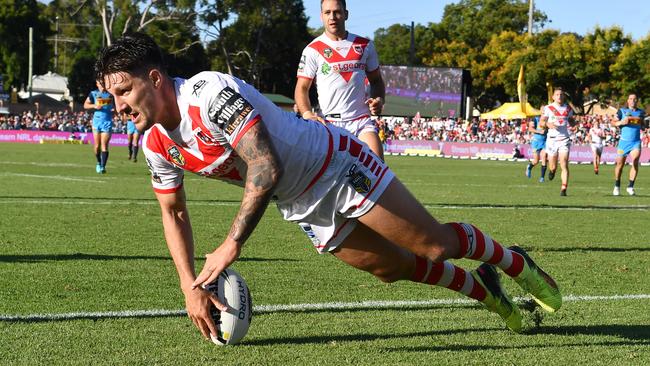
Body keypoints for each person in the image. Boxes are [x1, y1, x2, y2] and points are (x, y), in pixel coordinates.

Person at [96, 33, 561, 341]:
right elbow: (173, 213)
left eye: (122, 92)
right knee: (394, 268)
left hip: (334, 164)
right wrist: (189, 285)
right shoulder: (156, 142)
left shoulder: (209, 93)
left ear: (154, 79)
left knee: (434, 246)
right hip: (300, 203)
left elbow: (266, 166)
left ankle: (515, 262)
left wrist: (227, 248)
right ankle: (488, 294)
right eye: (110, 96)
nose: (116, 105)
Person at [295, 0, 386, 160]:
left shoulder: (364, 45)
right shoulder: (312, 50)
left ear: (346, 14)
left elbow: (376, 81)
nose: (332, 17)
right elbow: (302, 88)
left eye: (337, 12)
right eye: (327, 12)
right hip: (330, 124)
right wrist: (308, 114)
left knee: (378, 172)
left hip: (361, 122)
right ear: (321, 16)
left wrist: (379, 99)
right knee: (332, 181)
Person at [539, 88, 576, 196]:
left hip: (564, 139)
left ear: (564, 96)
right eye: (557, 94)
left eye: (561, 94)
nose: (559, 96)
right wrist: (548, 124)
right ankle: (552, 171)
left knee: (564, 163)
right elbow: (541, 122)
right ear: (553, 97)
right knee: (553, 166)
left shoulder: (568, 109)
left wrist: (574, 124)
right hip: (552, 140)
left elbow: (571, 121)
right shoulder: (548, 108)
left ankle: (564, 188)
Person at [612, 94, 646, 196]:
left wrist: (642, 124)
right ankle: (617, 185)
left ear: (637, 101)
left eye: (635, 99)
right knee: (620, 164)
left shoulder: (641, 112)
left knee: (635, 161)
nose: (633, 101)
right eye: (631, 99)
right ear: (628, 101)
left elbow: (644, 126)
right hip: (623, 143)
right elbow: (613, 122)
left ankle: (630, 187)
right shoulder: (621, 111)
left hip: (636, 142)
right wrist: (621, 122)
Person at [84, 80, 115, 173]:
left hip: (107, 121)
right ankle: (98, 162)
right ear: (97, 84)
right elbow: (85, 105)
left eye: (104, 84)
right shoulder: (93, 94)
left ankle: (103, 167)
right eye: (100, 83)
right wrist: (94, 105)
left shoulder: (111, 94)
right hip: (97, 122)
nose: (102, 85)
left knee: (104, 146)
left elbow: (116, 106)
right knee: (97, 146)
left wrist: (115, 110)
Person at [525, 114, 548, 182]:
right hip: (536, 142)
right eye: (543, 111)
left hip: (545, 142)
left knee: (544, 157)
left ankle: (542, 178)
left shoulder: (549, 120)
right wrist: (539, 131)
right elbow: (530, 129)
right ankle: (529, 167)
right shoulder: (535, 119)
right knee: (536, 161)